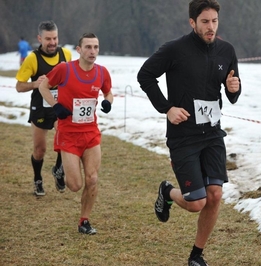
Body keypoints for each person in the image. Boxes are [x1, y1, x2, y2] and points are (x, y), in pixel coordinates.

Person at [137, 0, 241, 264]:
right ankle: (168, 192)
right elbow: (145, 75)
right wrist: (167, 108)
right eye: (205, 21)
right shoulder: (174, 49)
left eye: (214, 21)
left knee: (215, 194)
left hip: (213, 133)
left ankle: (197, 255)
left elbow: (233, 95)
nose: (211, 27)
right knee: (196, 202)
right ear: (192, 22)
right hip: (183, 135)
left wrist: (233, 88)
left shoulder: (226, 50)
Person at [38, 33, 113, 235]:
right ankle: (60, 168)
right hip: (68, 133)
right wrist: (56, 107)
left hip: (90, 133)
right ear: (78, 50)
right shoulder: (64, 69)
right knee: (75, 185)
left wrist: (108, 102)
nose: (93, 51)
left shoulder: (102, 72)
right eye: (88, 47)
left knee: (92, 179)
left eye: (96, 47)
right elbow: (44, 87)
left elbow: (108, 92)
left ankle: (84, 221)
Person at [16, 21, 72, 196]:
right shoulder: (33, 58)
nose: (52, 42)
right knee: (40, 150)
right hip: (40, 107)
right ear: (39, 38)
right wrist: (34, 84)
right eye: (48, 39)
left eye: (55, 38)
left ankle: (58, 169)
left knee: (65, 140)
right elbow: (19, 86)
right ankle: (37, 179)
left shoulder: (66, 54)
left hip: (59, 107)